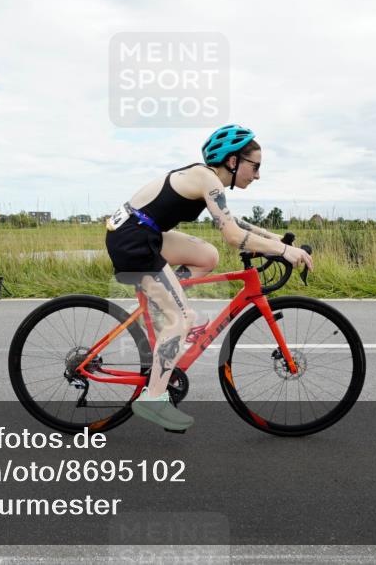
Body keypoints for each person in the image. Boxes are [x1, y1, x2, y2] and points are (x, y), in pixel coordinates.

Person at [104, 125, 312, 432]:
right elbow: (233, 235)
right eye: (254, 167)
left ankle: (165, 305)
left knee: (207, 257)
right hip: (133, 241)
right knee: (181, 318)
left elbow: (233, 222)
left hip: (142, 233)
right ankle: (154, 397)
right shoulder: (207, 179)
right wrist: (282, 251)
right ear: (232, 161)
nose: (257, 175)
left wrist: (276, 239)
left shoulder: (207, 181)